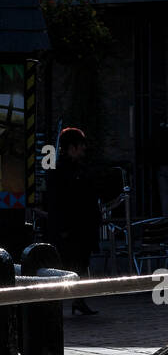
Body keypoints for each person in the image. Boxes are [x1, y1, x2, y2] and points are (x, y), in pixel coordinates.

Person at [45, 127, 100, 315]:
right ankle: (67, 301)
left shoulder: (75, 169)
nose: (84, 149)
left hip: (80, 226)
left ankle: (78, 299)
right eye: (81, 146)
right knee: (69, 265)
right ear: (72, 147)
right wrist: (62, 227)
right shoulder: (60, 170)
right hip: (71, 227)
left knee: (80, 264)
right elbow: (57, 201)